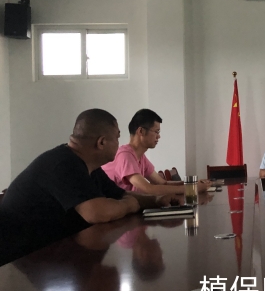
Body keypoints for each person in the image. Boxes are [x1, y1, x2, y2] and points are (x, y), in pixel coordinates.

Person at [0, 109, 174, 264]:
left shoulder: (90, 166)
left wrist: (158, 201)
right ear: (101, 142)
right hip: (20, 262)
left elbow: (120, 194)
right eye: (117, 137)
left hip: (53, 253)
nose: (119, 143)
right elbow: (97, 212)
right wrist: (130, 205)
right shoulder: (63, 164)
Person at [103, 109, 210, 194]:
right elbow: (148, 189)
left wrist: (192, 183)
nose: (158, 136)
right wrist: (192, 189)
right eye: (156, 131)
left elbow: (162, 183)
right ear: (141, 131)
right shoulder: (125, 155)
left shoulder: (140, 157)